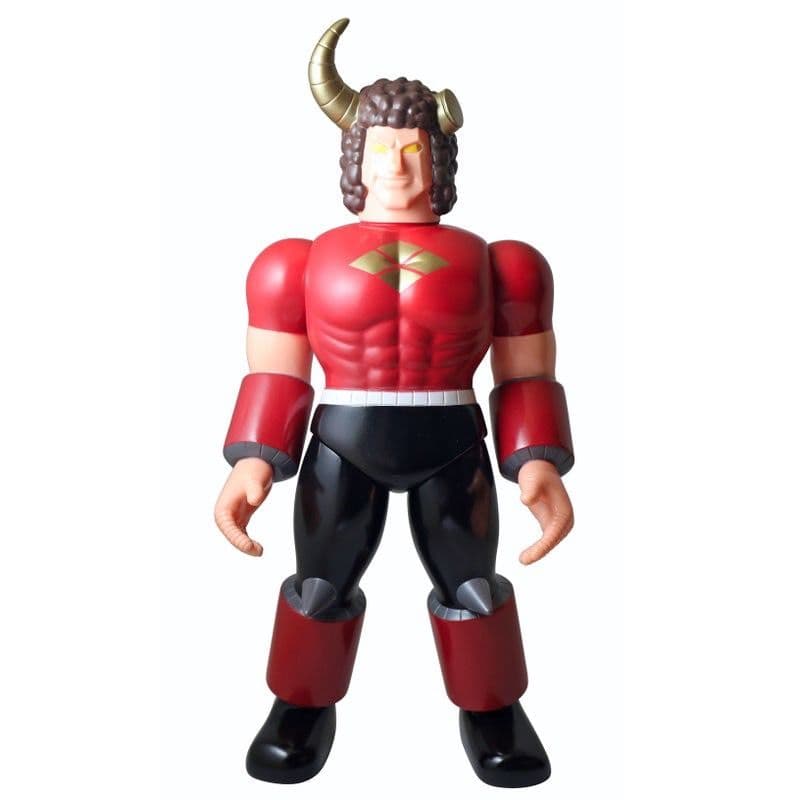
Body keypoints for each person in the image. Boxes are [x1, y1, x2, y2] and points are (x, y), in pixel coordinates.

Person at [214, 18, 575, 788]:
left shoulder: (502, 264)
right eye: (381, 148)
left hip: (452, 440)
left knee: (471, 585)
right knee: (320, 583)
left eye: (414, 149)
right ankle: (300, 706)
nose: (397, 165)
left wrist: (537, 462)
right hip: (343, 439)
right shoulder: (296, 263)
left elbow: (526, 375)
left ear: (439, 158)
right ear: (354, 157)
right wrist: (252, 461)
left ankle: (493, 712)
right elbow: (277, 374)